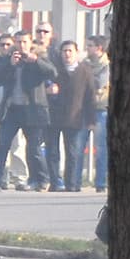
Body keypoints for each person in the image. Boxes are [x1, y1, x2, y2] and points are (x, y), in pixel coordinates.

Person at [0, 32, 57, 192]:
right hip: (12, 109)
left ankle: (41, 180)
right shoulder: (9, 59)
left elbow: (52, 72)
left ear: (30, 42)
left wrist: (36, 61)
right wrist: (11, 65)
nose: (21, 45)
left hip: (32, 109)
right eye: (18, 42)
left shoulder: (39, 57)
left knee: (34, 148)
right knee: (2, 145)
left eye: (24, 41)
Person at [48, 39, 97, 192]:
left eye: (70, 51)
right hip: (54, 117)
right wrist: (49, 91)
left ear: (77, 53)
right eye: (64, 51)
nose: (67, 54)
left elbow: (90, 96)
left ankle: (72, 184)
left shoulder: (85, 71)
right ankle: (55, 183)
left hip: (75, 117)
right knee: (52, 151)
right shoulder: (55, 70)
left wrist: (91, 120)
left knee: (73, 153)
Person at [85, 34, 111, 191]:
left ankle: (100, 182)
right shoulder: (85, 64)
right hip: (84, 109)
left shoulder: (107, 66)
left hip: (101, 109)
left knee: (101, 148)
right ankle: (73, 183)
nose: (87, 49)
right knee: (77, 147)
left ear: (99, 48)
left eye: (90, 46)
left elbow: (99, 83)